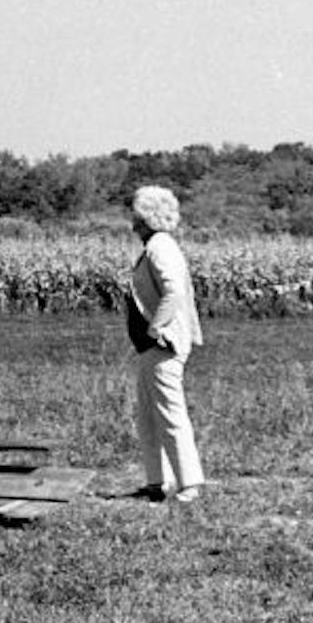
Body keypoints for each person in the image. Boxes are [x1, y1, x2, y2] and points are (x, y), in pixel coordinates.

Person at [125, 185, 205, 503]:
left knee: (170, 413)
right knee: (148, 414)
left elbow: (174, 292)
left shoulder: (161, 247)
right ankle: (158, 481)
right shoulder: (155, 245)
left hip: (163, 343)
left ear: (146, 216)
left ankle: (189, 483)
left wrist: (155, 329)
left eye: (136, 212)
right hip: (151, 345)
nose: (132, 219)